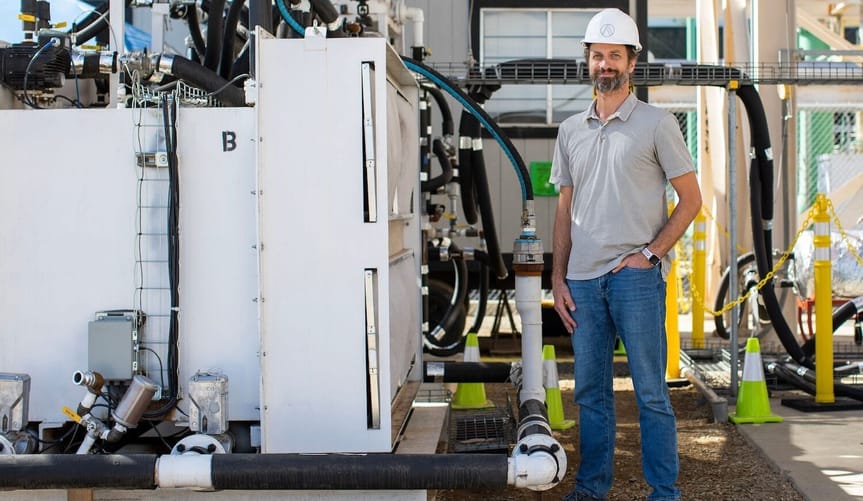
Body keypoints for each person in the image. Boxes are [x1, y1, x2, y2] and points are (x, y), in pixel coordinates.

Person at [549, 8, 702, 501]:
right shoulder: (570, 130)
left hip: (635, 279)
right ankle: (592, 489)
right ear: (588, 62)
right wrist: (558, 279)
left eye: (615, 55)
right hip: (583, 284)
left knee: (651, 394)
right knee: (590, 396)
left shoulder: (658, 124)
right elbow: (564, 208)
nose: (606, 64)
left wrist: (652, 255)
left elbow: (693, 199)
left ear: (632, 62)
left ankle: (664, 493)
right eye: (598, 56)